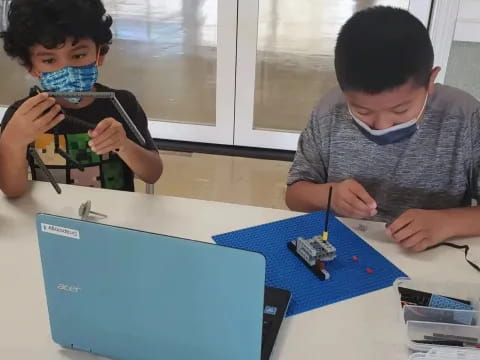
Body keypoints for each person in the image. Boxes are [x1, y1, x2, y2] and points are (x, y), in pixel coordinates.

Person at [285, 6, 480, 252]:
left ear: (430, 81)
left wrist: (447, 222)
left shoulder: (465, 117)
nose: (381, 125)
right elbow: (294, 196)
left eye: (400, 111)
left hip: (435, 253)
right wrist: (329, 195)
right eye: (363, 111)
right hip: (347, 248)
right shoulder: (330, 112)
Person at [0, 0, 163, 197]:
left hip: (117, 219)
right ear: (31, 67)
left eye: (78, 55)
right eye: (49, 60)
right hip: (54, 221)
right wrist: (12, 142)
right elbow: (13, 191)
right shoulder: (23, 117)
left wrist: (123, 144)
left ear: (99, 54)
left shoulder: (121, 103)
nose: (67, 69)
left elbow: (153, 173)